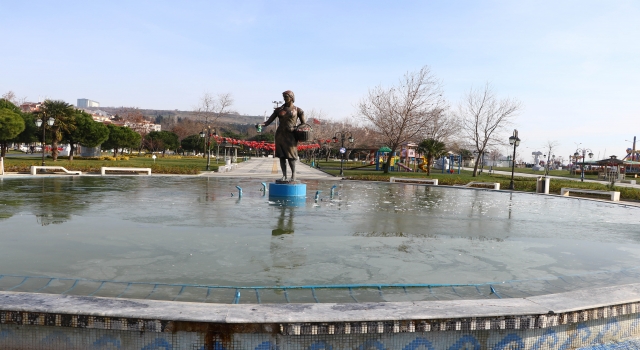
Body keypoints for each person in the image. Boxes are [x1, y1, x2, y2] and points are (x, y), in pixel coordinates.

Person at [262, 90, 306, 182]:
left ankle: (293, 175)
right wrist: (261, 125)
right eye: (284, 97)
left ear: (291, 98)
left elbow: (303, 124)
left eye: (286, 97)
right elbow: (268, 121)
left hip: (291, 135)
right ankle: (284, 176)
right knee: (282, 156)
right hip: (280, 135)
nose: (284, 99)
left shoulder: (298, 110)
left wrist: (295, 128)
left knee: (291, 156)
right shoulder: (279, 110)